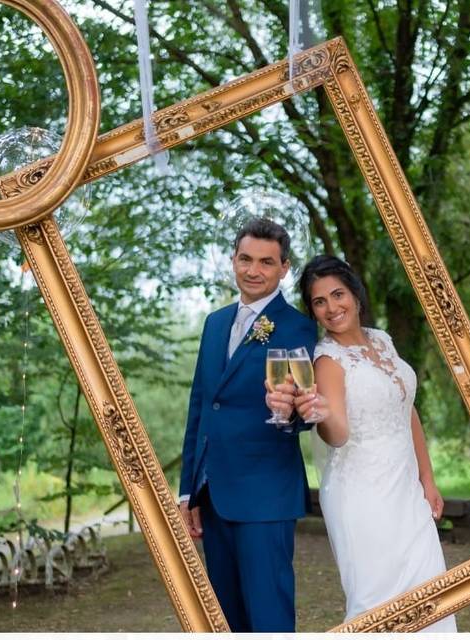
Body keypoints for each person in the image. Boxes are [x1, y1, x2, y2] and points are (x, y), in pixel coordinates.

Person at [267, 254, 457, 631]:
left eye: (337, 295)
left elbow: (407, 410)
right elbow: (337, 435)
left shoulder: (382, 340)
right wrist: (319, 414)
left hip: (407, 493)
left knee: (432, 594)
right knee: (377, 602)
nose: (331, 308)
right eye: (319, 302)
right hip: (362, 497)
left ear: (355, 294)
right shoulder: (326, 361)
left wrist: (428, 479)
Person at [179, 218, 317, 632]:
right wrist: (188, 489)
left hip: (265, 495)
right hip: (212, 492)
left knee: (268, 616)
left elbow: (304, 408)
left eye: (266, 262)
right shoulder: (215, 323)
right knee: (224, 617)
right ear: (233, 260)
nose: (253, 270)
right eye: (245, 259)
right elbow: (202, 407)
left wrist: (291, 411)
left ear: (284, 268)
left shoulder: (298, 327)